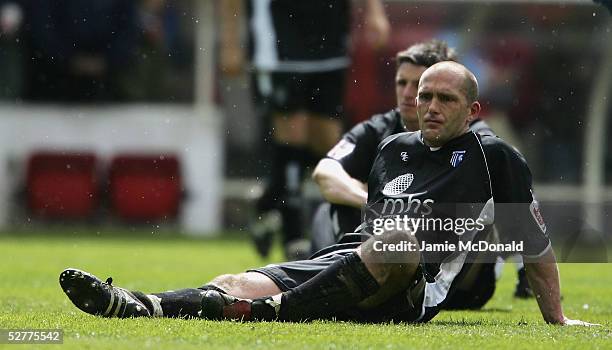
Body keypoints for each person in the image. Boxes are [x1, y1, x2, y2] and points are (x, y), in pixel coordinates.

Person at [59, 62, 595, 326]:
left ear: (471, 110)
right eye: (424, 95)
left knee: (400, 240)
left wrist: (557, 319)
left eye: (444, 99)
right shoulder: (392, 147)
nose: (429, 105)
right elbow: (362, 220)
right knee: (236, 281)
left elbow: (533, 243)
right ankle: (136, 306)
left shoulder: (493, 155)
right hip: (357, 263)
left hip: (414, 287)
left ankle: (275, 314)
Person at [310, 39, 530, 302]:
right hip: (392, 256)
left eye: (418, 86)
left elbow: (519, 197)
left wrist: (526, 269)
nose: (407, 93)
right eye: (402, 83)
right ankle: (336, 276)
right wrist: (379, 206)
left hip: (462, 278)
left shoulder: (477, 138)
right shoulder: (381, 129)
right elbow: (325, 171)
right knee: (330, 207)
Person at [219, 0, 390, 259]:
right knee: (293, 134)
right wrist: (230, 40)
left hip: (329, 34)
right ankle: (295, 238)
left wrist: (375, 12)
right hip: (278, 36)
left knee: (327, 144)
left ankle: (266, 202)